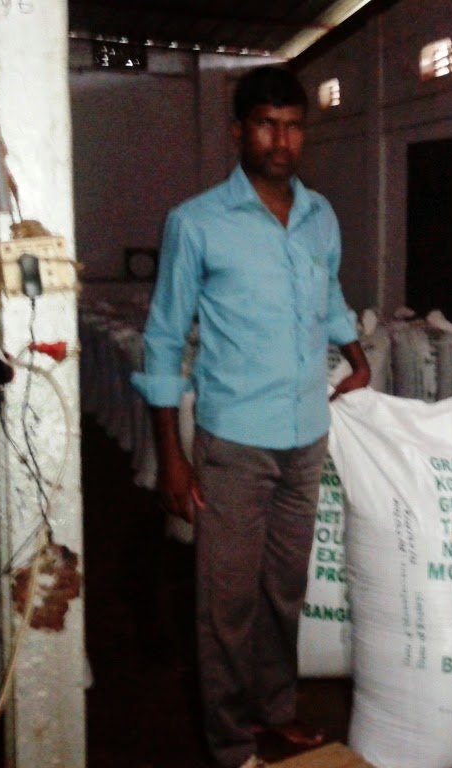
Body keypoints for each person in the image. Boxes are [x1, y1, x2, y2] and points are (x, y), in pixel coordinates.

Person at [132, 65, 370, 768]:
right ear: (239, 131)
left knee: (284, 592)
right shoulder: (197, 223)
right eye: (267, 125)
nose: (282, 141)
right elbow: (163, 339)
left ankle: (275, 710)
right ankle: (231, 741)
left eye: (294, 127)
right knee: (226, 604)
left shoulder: (321, 216)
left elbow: (330, 297)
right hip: (235, 443)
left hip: (306, 436)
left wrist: (357, 357)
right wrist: (172, 458)